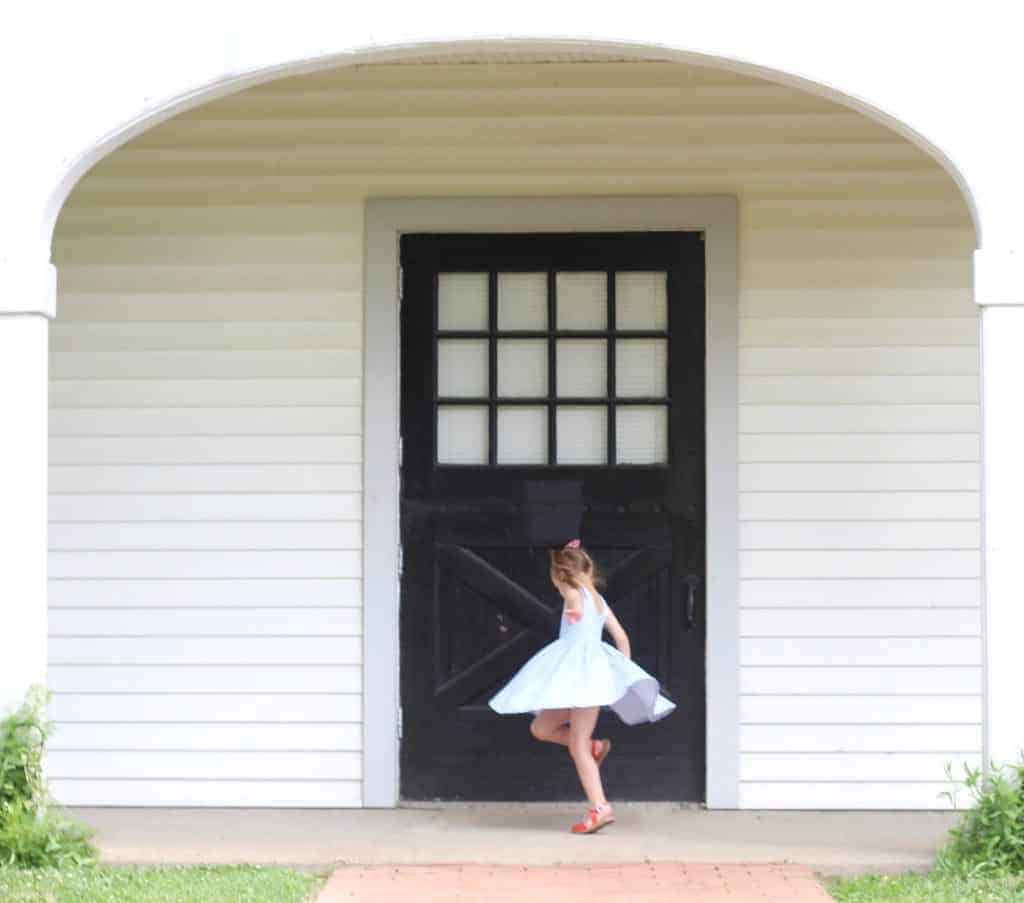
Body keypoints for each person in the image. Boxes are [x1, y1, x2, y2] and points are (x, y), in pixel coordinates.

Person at [489, 539, 676, 834]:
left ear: (560, 575)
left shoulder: (572, 593)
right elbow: (621, 637)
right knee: (541, 728)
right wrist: (618, 675)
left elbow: (573, 598)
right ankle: (594, 747)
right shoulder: (599, 601)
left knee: (576, 744)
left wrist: (573, 608)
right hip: (578, 682)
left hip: (584, 681)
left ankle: (599, 807)